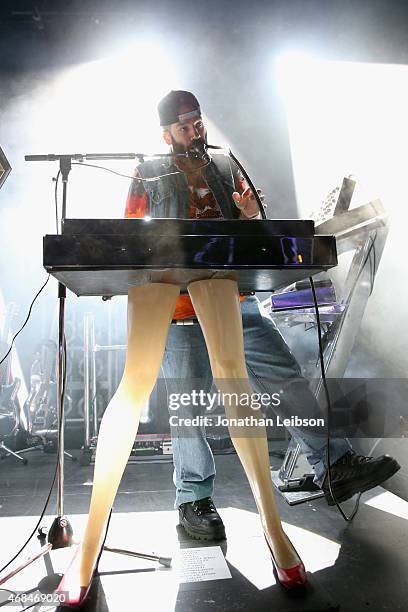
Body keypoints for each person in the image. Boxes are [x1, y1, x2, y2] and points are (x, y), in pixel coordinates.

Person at [124, 90, 401, 541]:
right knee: (189, 405)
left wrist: (253, 214)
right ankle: (193, 501)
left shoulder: (226, 165)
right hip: (178, 306)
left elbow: (257, 232)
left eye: (197, 123)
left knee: (285, 378)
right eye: (183, 127)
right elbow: (130, 238)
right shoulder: (148, 171)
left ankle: (334, 465)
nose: (193, 132)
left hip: (236, 297)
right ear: (165, 134)